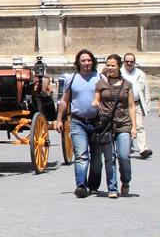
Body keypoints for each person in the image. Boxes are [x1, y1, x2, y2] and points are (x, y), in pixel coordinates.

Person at [90, 54, 140, 198]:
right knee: (109, 157)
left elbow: (131, 106)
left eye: (113, 65)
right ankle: (112, 187)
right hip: (106, 125)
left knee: (124, 155)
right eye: (108, 65)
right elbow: (97, 99)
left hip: (123, 123)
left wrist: (134, 126)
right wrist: (95, 103)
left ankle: (125, 180)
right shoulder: (101, 84)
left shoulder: (127, 85)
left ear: (119, 66)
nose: (110, 68)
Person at [57, 49, 104, 198]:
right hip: (78, 122)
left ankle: (94, 185)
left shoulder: (100, 78)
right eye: (83, 60)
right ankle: (81, 186)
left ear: (93, 62)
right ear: (78, 63)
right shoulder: (72, 79)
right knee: (81, 155)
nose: (86, 63)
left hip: (97, 123)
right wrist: (59, 119)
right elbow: (64, 100)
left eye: (89, 60)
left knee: (96, 159)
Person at [121, 52, 151, 159]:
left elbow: (146, 90)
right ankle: (126, 148)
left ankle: (143, 150)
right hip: (123, 104)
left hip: (137, 103)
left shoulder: (140, 73)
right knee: (125, 127)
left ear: (134, 62)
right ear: (124, 62)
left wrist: (147, 104)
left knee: (139, 126)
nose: (129, 63)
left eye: (131, 62)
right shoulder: (120, 73)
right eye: (127, 61)